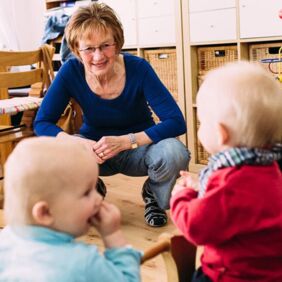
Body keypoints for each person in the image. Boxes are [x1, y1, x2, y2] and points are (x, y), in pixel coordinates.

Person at [34, 2, 190, 227]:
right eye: (89, 48)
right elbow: (42, 123)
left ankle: (154, 197)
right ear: (77, 50)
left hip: (138, 149)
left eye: (105, 45)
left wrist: (128, 141)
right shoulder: (70, 71)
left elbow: (176, 121)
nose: (98, 56)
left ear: (116, 44)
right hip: (94, 151)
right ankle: (92, 192)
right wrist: (78, 144)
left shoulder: (139, 68)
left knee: (174, 152)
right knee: (59, 152)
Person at [170, 61, 282, 281]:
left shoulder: (231, 187)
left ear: (221, 134)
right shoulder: (269, 168)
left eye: (202, 123)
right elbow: (240, 207)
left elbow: (195, 227)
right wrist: (200, 185)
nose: (200, 127)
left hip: (231, 276)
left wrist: (181, 197)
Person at [0, 137, 141, 281]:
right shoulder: (83, 263)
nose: (99, 198)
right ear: (45, 213)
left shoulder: (4, 242)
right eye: (86, 192)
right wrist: (113, 235)